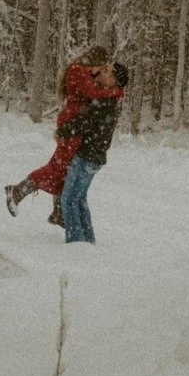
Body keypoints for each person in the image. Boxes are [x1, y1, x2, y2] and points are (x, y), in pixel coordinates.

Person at [5, 47, 124, 225]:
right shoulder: (78, 70)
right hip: (72, 122)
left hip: (75, 122)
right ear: (95, 62)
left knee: (65, 166)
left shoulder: (85, 73)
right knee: (58, 166)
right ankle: (19, 190)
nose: (100, 72)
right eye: (102, 68)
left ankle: (59, 212)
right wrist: (117, 92)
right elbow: (93, 94)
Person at [58, 61, 129, 245]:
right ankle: (88, 242)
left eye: (107, 72)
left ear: (113, 81)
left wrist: (63, 130)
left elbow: (85, 123)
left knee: (68, 199)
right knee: (79, 198)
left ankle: (76, 244)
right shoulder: (111, 98)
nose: (102, 73)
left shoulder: (105, 101)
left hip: (87, 156)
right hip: (95, 157)